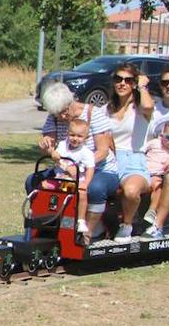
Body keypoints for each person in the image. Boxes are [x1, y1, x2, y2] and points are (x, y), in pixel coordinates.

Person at [114, 63, 169, 241]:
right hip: (151, 162)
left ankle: (157, 225)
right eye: (165, 82)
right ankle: (120, 223)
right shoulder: (154, 107)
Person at [30, 82, 119, 239]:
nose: (62, 117)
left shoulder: (94, 114)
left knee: (94, 188)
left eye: (65, 111)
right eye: (58, 114)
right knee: (33, 180)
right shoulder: (55, 116)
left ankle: (87, 231)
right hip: (66, 168)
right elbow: (50, 143)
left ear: (71, 102)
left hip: (99, 168)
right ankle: (47, 223)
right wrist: (47, 145)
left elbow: (103, 151)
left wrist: (79, 168)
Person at [107, 63, 154, 242]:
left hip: (134, 159)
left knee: (131, 191)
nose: (122, 83)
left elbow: (149, 107)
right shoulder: (107, 109)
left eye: (128, 80)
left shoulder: (141, 108)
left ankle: (126, 225)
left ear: (134, 84)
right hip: (110, 159)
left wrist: (142, 85)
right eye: (118, 79)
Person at [44, 117, 95, 240]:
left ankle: (81, 220)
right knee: (43, 186)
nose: (75, 139)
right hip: (60, 180)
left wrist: (86, 183)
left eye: (79, 136)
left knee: (82, 193)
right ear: (67, 134)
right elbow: (57, 158)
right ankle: (45, 215)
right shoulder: (62, 145)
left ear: (86, 138)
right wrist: (54, 154)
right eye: (72, 135)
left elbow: (90, 169)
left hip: (75, 182)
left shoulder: (86, 152)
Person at [140, 119, 169, 238]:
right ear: (162, 135)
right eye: (168, 137)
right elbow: (141, 152)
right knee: (155, 185)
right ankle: (158, 215)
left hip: (162, 175)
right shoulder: (154, 143)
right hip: (148, 172)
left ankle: (152, 211)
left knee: (159, 189)